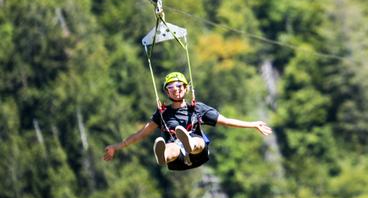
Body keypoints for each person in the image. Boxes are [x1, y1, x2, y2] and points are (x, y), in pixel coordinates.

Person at [103, 71, 272, 169]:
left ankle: (188, 144)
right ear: (167, 93)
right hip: (178, 160)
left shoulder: (197, 109)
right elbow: (141, 134)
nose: (175, 90)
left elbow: (226, 121)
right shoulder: (162, 114)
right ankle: (164, 156)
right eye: (171, 88)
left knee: (196, 141)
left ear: (185, 88)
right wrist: (116, 147)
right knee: (171, 146)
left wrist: (253, 124)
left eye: (178, 87)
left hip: (198, 153)